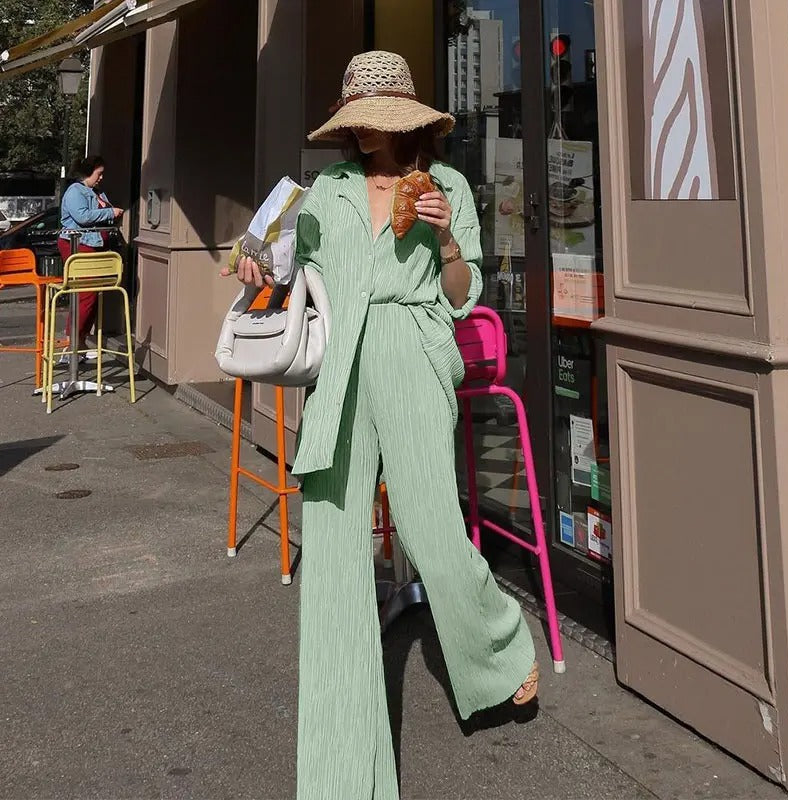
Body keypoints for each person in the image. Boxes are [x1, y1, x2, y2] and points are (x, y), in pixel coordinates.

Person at [236, 51, 539, 799]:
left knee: (431, 528)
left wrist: (442, 241)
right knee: (335, 562)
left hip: (412, 349)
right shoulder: (322, 192)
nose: (366, 132)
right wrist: (255, 268)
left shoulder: (450, 187)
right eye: (357, 121)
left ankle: (497, 647)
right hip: (339, 364)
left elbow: (463, 292)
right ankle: (342, 775)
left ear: (407, 121)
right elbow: (278, 267)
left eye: (377, 119)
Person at [58, 155, 123, 360]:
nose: (101, 178)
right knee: (86, 294)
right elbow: (83, 217)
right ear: (89, 172)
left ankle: (81, 340)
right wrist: (110, 212)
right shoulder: (75, 191)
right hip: (78, 243)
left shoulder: (97, 192)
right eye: (99, 173)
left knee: (92, 295)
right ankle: (72, 342)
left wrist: (109, 211)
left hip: (94, 244)